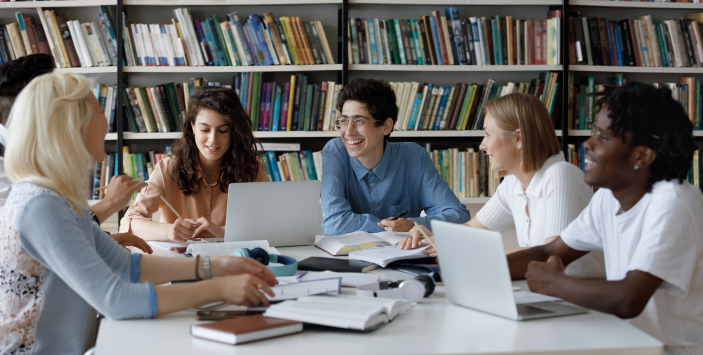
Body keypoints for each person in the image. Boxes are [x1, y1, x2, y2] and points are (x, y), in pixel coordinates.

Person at [0, 72, 278, 355]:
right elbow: (117, 298)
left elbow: (125, 267)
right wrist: (220, 289)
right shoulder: (41, 206)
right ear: (73, 127)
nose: (108, 120)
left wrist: (217, 266)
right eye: (99, 110)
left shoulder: (59, 200)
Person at [507, 82, 702, 354]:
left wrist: (554, 283)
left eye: (603, 137)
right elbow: (552, 251)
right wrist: (479, 268)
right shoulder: (608, 198)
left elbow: (628, 298)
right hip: (626, 341)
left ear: (641, 155)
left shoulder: (674, 203)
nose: (588, 144)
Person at [399, 93, 605, 277]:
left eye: (487, 134)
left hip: (585, 303)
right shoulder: (512, 184)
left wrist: (465, 246)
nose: (481, 145)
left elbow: (550, 257)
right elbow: (472, 229)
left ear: (518, 138)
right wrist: (432, 235)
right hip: (550, 295)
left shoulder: (561, 174)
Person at [0, 54, 150, 252]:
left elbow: (60, 229)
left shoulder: (47, 156)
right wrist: (109, 204)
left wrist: (98, 240)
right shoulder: (18, 175)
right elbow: (30, 245)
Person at [321, 78, 471, 236]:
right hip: (349, 257)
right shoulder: (335, 151)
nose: (348, 132)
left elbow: (458, 216)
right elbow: (334, 224)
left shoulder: (413, 156)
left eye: (359, 121)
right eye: (344, 121)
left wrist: (412, 224)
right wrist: (389, 227)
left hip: (403, 255)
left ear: (386, 126)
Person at [120, 86, 269, 241]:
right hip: (180, 262)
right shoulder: (167, 169)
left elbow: (270, 225)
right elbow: (128, 224)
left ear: (234, 132)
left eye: (223, 131)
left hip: (232, 260)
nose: (213, 140)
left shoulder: (252, 170)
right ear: (192, 128)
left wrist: (223, 231)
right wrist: (169, 231)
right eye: (205, 130)